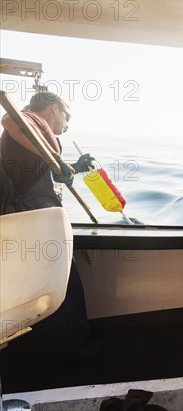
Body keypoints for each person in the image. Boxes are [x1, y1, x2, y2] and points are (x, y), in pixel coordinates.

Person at [0, 91, 96, 371]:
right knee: (62, 290)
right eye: (67, 117)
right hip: (35, 229)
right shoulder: (34, 120)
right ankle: (69, 356)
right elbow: (11, 120)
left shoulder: (37, 139)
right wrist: (57, 157)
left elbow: (36, 171)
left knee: (50, 290)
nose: (67, 125)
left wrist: (71, 168)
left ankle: (53, 354)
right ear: (54, 109)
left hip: (32, 228)